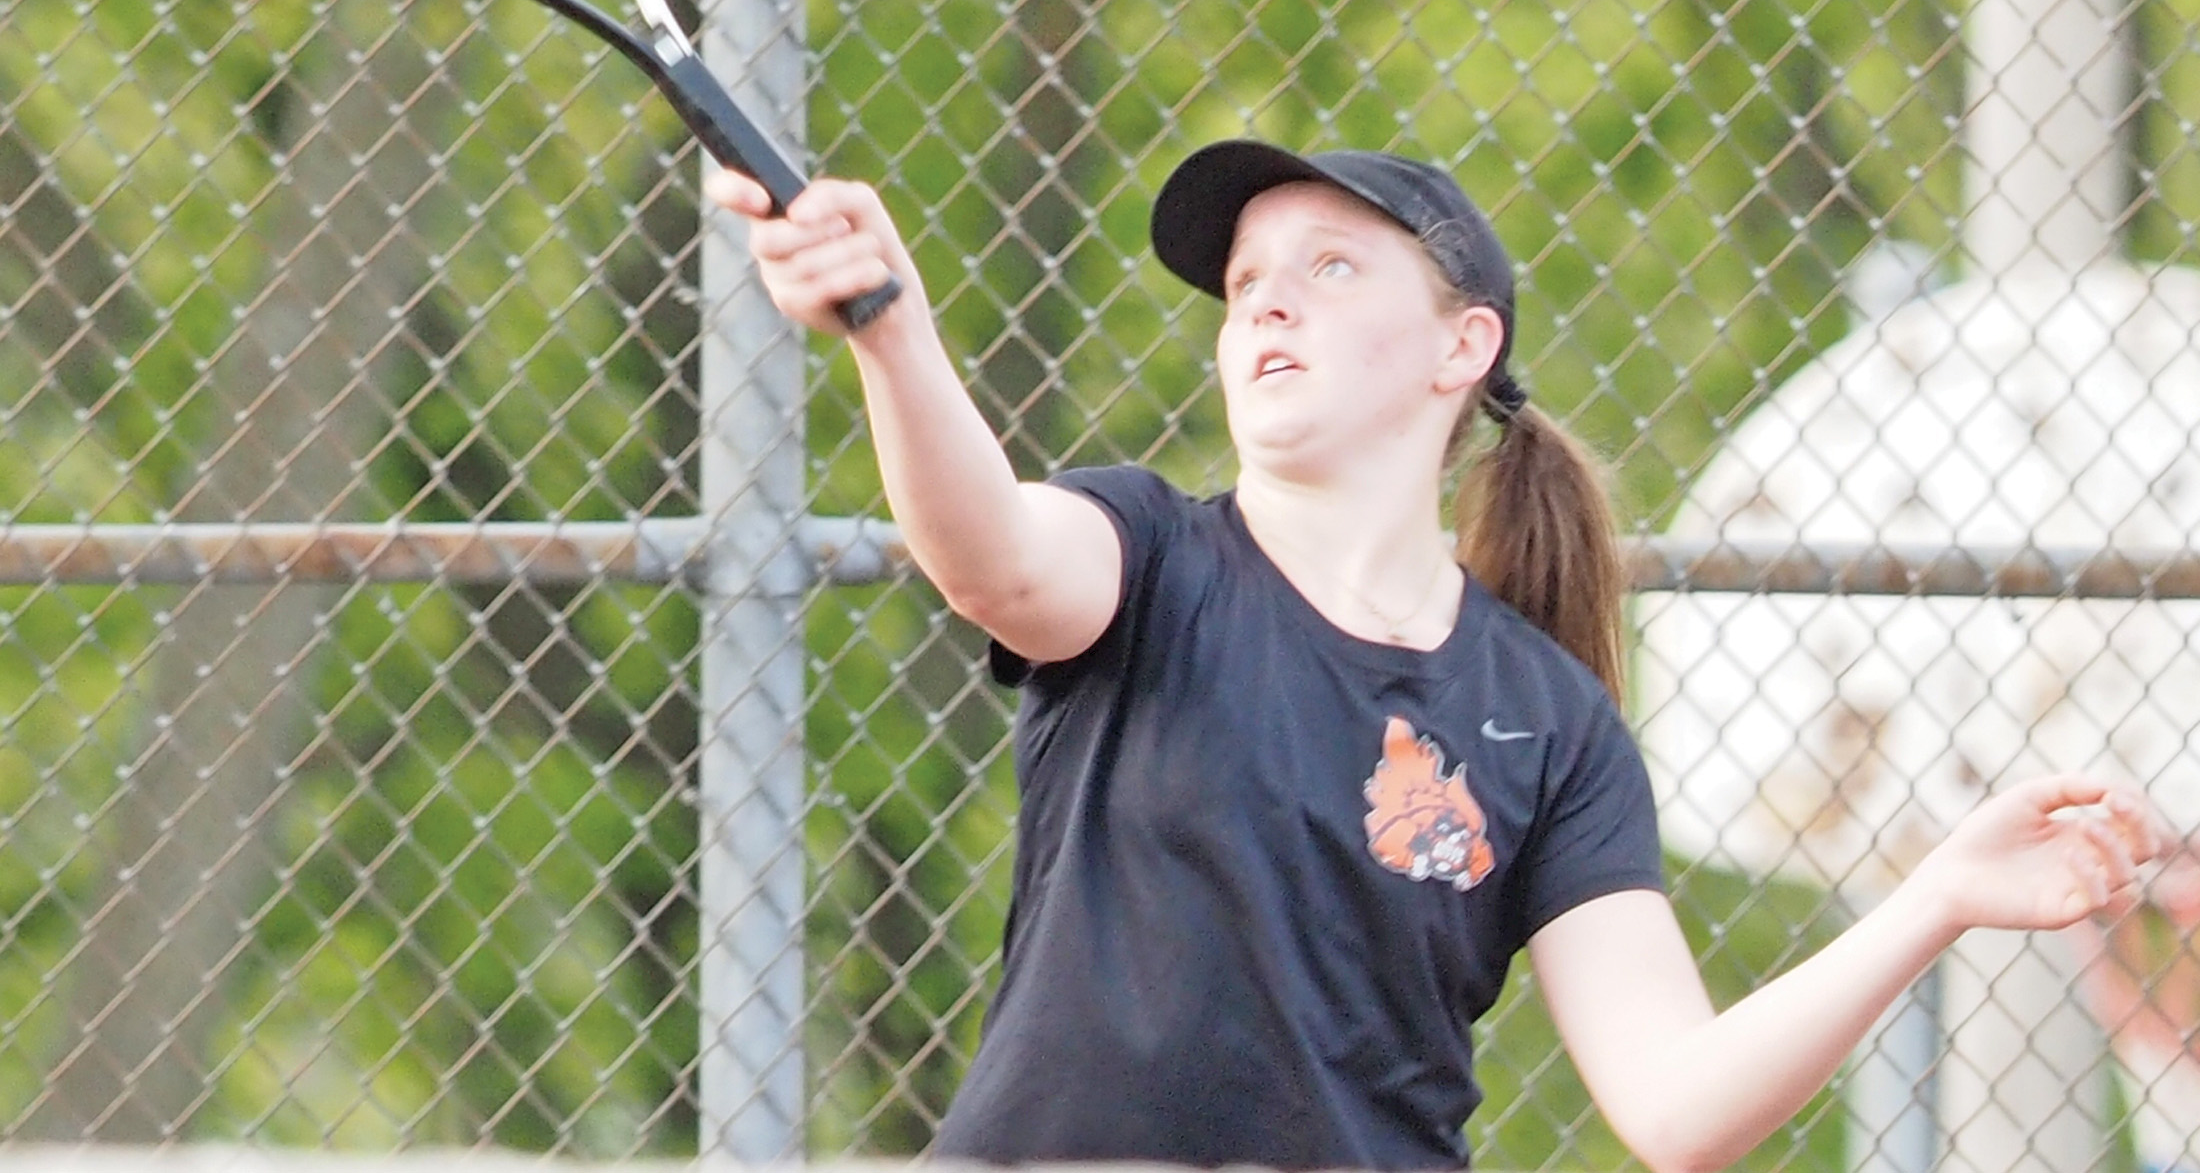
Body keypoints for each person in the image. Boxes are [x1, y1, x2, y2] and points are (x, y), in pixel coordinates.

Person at [707, 138, 2166, 1173]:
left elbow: (1677, 1106)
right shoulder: (1148, 554)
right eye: (1246, 282)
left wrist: (1936, 897)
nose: (1265, 298)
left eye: (1329, 266)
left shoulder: (1547, 717)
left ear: (1459, 345)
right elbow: (991, 556)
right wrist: (890, 336)